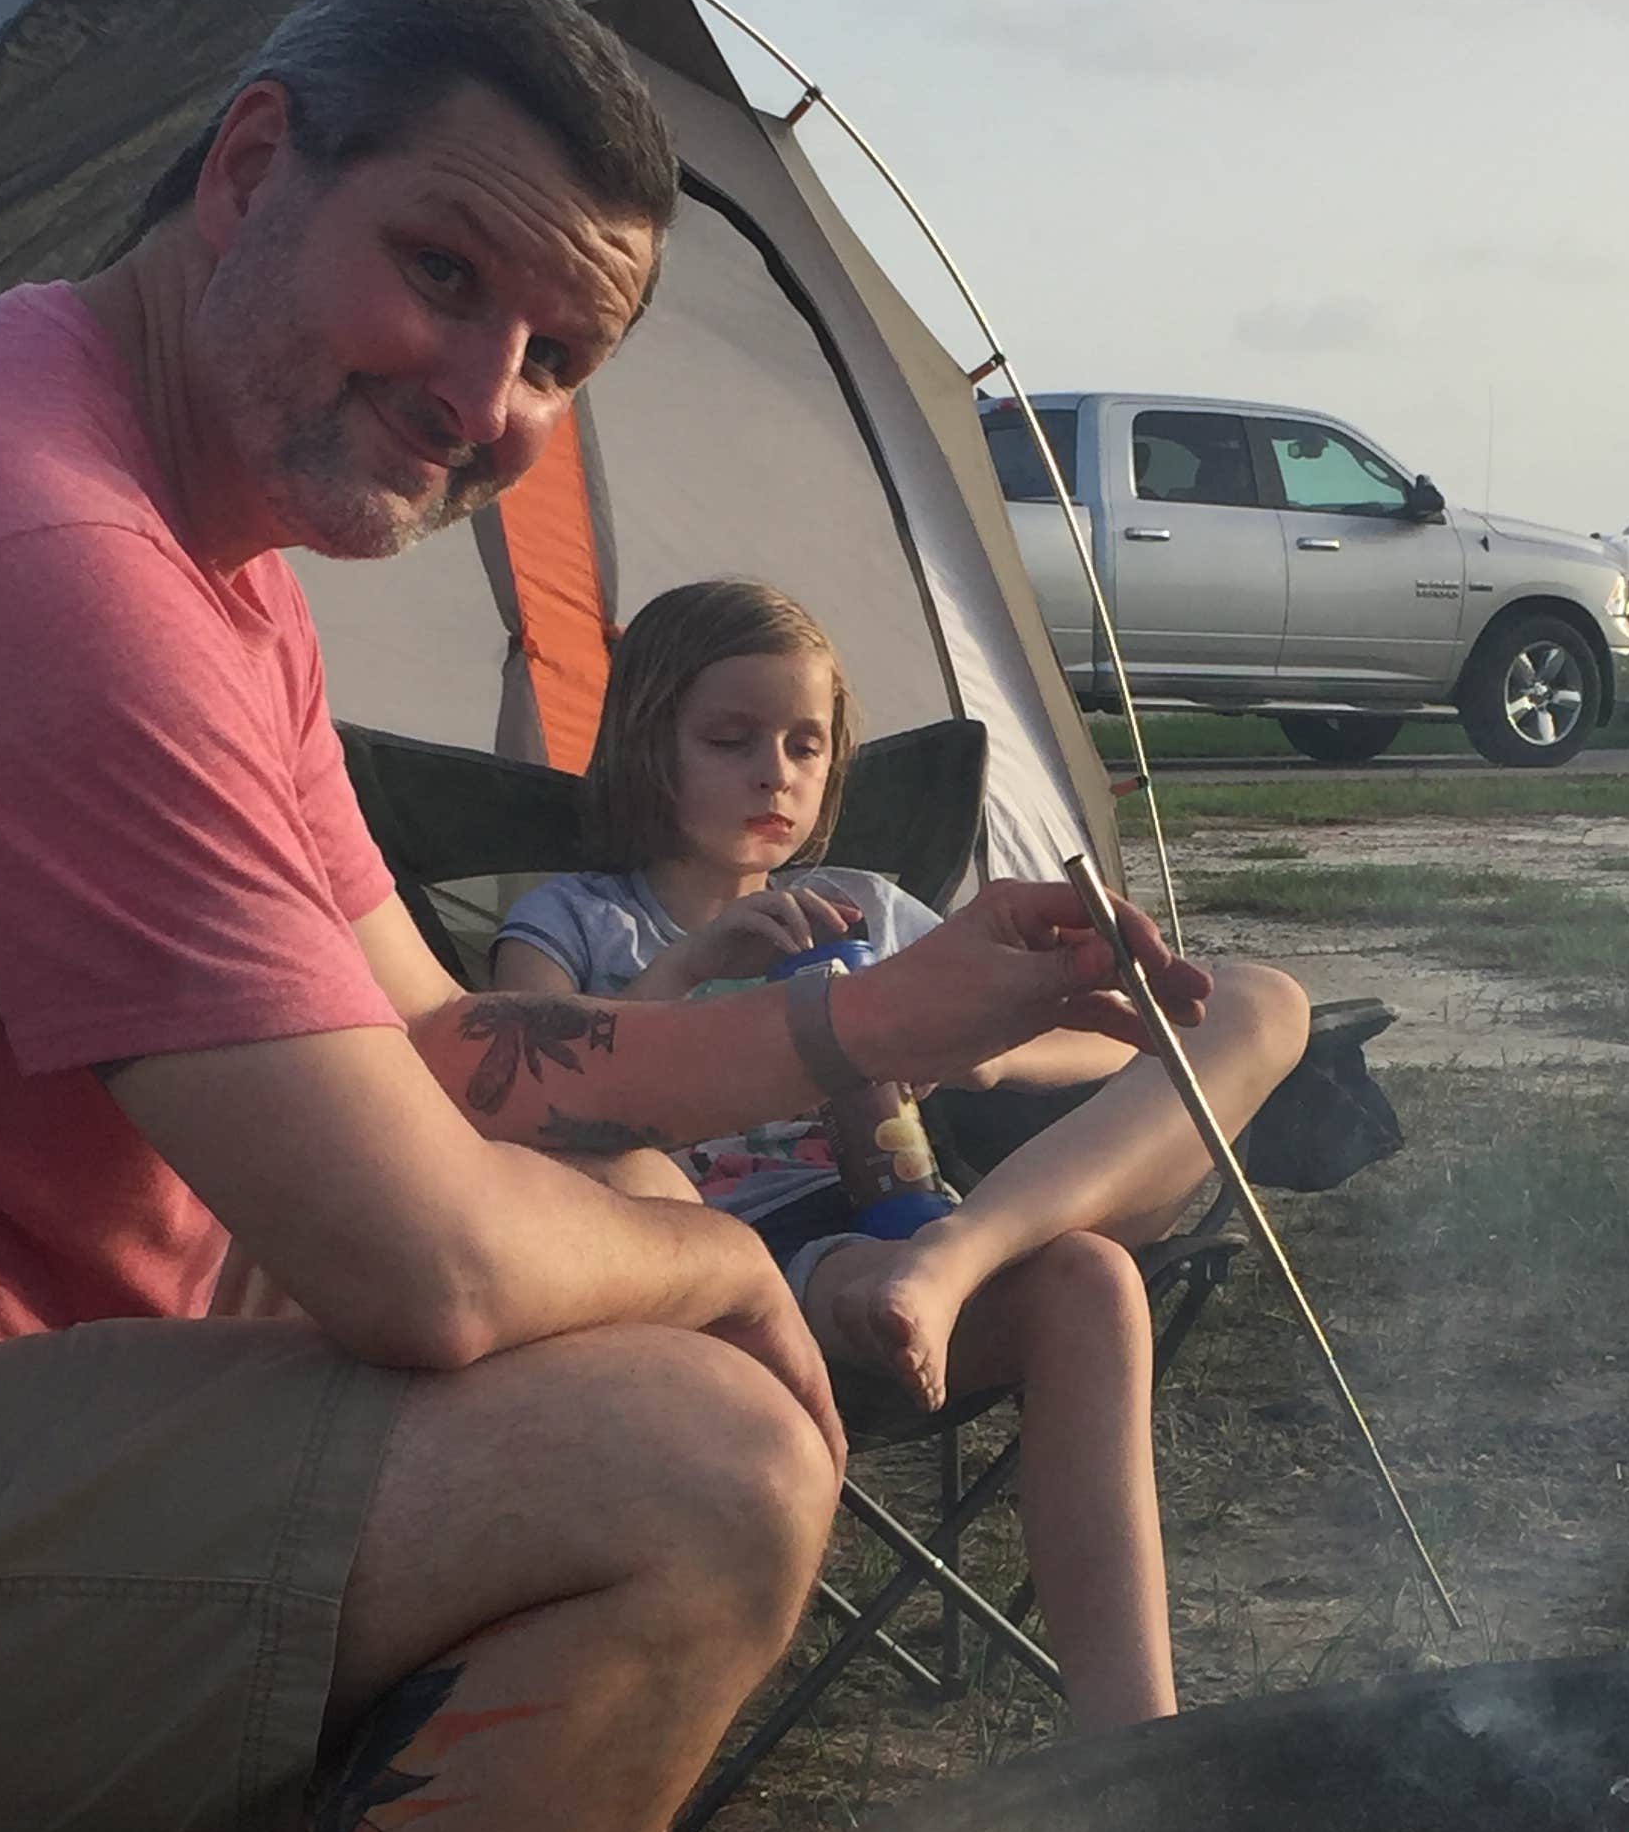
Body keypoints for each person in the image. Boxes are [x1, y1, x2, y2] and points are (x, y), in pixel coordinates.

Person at [0, 0, 1206, 1832]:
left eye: (554, 357)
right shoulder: (43, 549)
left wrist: (890, 1018)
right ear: (253, 166)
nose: (486, 394)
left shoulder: (200, 536)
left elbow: (459, 1061)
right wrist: (729, 1284)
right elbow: (418, 1257)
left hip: (47, 1383)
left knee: (617, 1246)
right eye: (443, 272)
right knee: (684, 1459)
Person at [492, 580, 1310, 1732]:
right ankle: (947, 1265)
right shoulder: (576, 922)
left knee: (1255, 1012)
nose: (775, 774)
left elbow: (1092, 1041)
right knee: (1070, 1275)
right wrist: (686, 974)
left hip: (926, 1229)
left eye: (805, 744)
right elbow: (516, 1104)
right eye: (730, 741)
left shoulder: (865, 910)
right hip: (735, 1271)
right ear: (646, 744)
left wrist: (981, 1051)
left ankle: (1137, 1754)